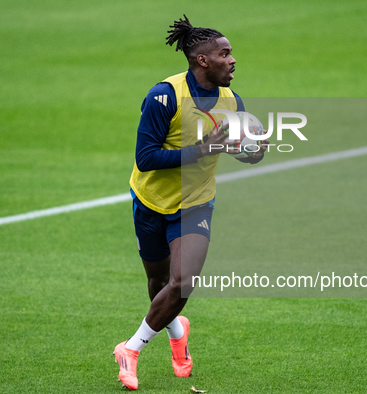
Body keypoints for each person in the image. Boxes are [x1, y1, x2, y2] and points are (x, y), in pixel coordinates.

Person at [113, 15, 268, 390]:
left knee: (182, 282)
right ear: (202, 60)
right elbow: (145, 158)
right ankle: (177, 333)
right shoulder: (163, 96)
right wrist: (203, 149)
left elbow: (249, 149)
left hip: (196, 203)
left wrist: (253, 149)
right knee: (159, 282)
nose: (232, 60)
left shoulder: (231, 100)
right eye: (224, 54)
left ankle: (130, 350)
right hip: (151, 201)